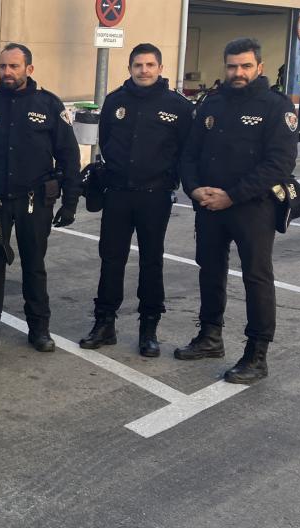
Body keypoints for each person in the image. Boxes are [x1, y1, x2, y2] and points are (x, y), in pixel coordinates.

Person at [176, 38, 297, 384]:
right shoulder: (213, 103)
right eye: (232, 66)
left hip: (253, 208)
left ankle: (257, 355)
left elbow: (279, 164)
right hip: (210, 206)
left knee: (256, 278)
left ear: (259, 67)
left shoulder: (276, 107)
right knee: (209, 271)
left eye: (245, 66)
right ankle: (210, 337)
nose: (238, 72)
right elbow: (190, 153)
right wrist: (194, 188)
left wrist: (232, 195)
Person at [0, 43, 81, 355]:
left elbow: (68, 156)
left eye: (14, 67)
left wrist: (71, 201)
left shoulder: (48, 105)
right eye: (3, 67)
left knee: (35, 266)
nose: (7, 73)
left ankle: (40, 329)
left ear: (29, 70)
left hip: (34, 202)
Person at [78, 43, 193, 357]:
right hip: (117, 194)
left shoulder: (178, 106)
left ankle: (149, 328)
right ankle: (104, 323)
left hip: (155, 197)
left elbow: (186, 151)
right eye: (138, 65)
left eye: (150, 65)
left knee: (151, 261)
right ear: (129, 68)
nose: (144, 70)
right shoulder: (116, 100)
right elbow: (106, 140)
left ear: (160, 67)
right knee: (111, 258)